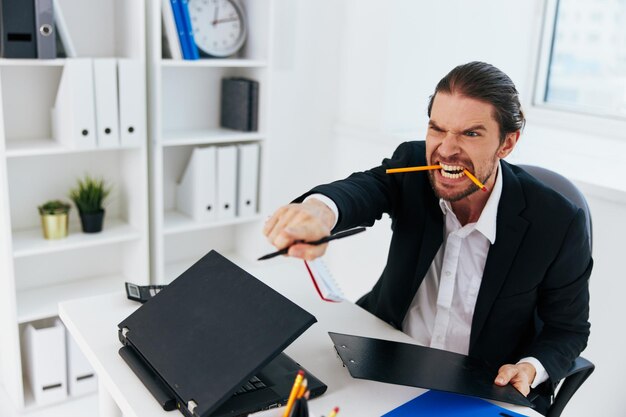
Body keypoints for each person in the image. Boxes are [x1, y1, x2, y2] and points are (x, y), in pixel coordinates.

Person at [263, 61, 591, 411]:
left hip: (479, 382)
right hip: (388, 355)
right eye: (437, 128)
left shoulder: (556, 220)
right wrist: (320, 211)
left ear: (507, 143)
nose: (446, 150)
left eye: (471, 133)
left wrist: (530, 368)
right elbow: (366, 188)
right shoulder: (413, 165)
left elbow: (567, 330)